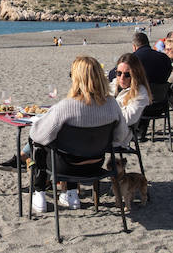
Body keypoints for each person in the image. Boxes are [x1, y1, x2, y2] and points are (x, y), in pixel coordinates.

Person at [27, 56, 129, 213]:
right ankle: (71, 193)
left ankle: (39, 191)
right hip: (95, 164)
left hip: (65, 167)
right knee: (76, 146)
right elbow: (121, 136)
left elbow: (37, 135)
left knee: (39, 143)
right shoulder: (111, 104)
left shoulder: (66, 106)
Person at [111, 53, 152, 129]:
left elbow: (128, 119)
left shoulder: (140, 92)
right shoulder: (114, 84)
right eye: (119, 73)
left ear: (135, 75)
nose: (122, 78)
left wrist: (106, 113)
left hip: (120, 132)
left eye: (127, 75)